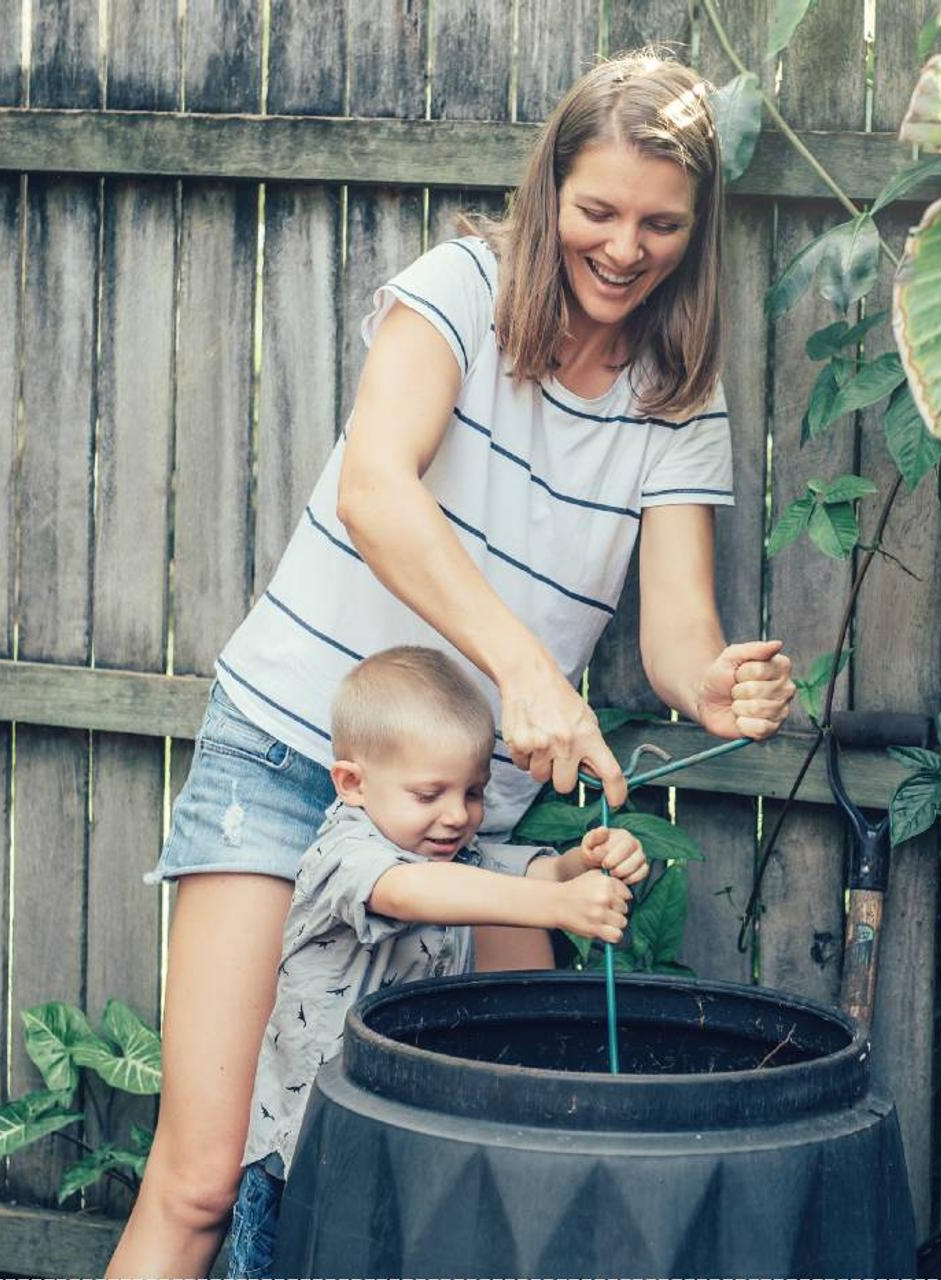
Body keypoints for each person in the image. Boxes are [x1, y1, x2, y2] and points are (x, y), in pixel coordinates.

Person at [107, 50, 796, 1277]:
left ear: (697, 233)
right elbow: (378, 489)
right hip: (290, 755)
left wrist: (715, 685)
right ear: (549, 192)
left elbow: (674, 631)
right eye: (597, 211)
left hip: (474, 819)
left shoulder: (680, 401)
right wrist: (526, 669)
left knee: (466, 1176)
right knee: (207, 1177)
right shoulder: (459, 289)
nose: (625, 248)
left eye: (660, 225)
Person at [220, 646, 647, 1278]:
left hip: (398, 1138)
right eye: (430, 794)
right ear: (353, 784)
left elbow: (536, 870)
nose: (457, 815)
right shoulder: (347, 852)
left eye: (473, 792)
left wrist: (585, 863)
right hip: (305, 1147)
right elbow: (406, 891)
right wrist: (557, 904)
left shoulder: (454, 852)